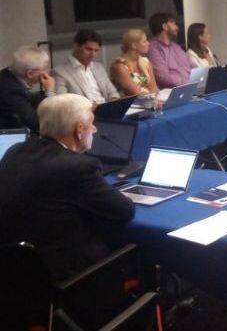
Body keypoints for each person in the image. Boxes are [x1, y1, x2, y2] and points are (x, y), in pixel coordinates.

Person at [0, 93, 135, 281]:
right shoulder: (78, 167)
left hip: (13, 273)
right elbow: (124, 211)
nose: (95, 129)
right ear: (79, 130)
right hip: (68, 276)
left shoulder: (14, 151)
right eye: (92, 124)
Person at [52, 29, 119, 104]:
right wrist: (88, 106)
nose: (93, 54)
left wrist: (114, 102)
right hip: (83, 110)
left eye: (96, 51)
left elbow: (112, 92)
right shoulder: (59, 72)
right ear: (76, 46)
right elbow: (62, 102)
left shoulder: (99, 67)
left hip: (106, 107)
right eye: (88, 49)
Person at [0, 46, 55, 133]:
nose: (48, 71)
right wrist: (50, 92)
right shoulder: (11, 92)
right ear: (30, 73)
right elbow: (37, 124)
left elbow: (26, 98)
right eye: (45, 68)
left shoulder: (7, 74)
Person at [147, 12, 191, 88]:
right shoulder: (153, 49)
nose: (177, 27)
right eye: (173, 23)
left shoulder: (176, 47)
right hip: (171, 91)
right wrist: (186, 82)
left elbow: (188, 67)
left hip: (188, 87)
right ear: (164, 26)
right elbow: (162, 77)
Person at [111, 29, 159, 97]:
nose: (148, 43)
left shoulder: (145, 61)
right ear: (134, 45)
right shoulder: (119, 66)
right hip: (130, 102)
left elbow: (154, 89)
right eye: (144, 41)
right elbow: (136, 93)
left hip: (148, 99)